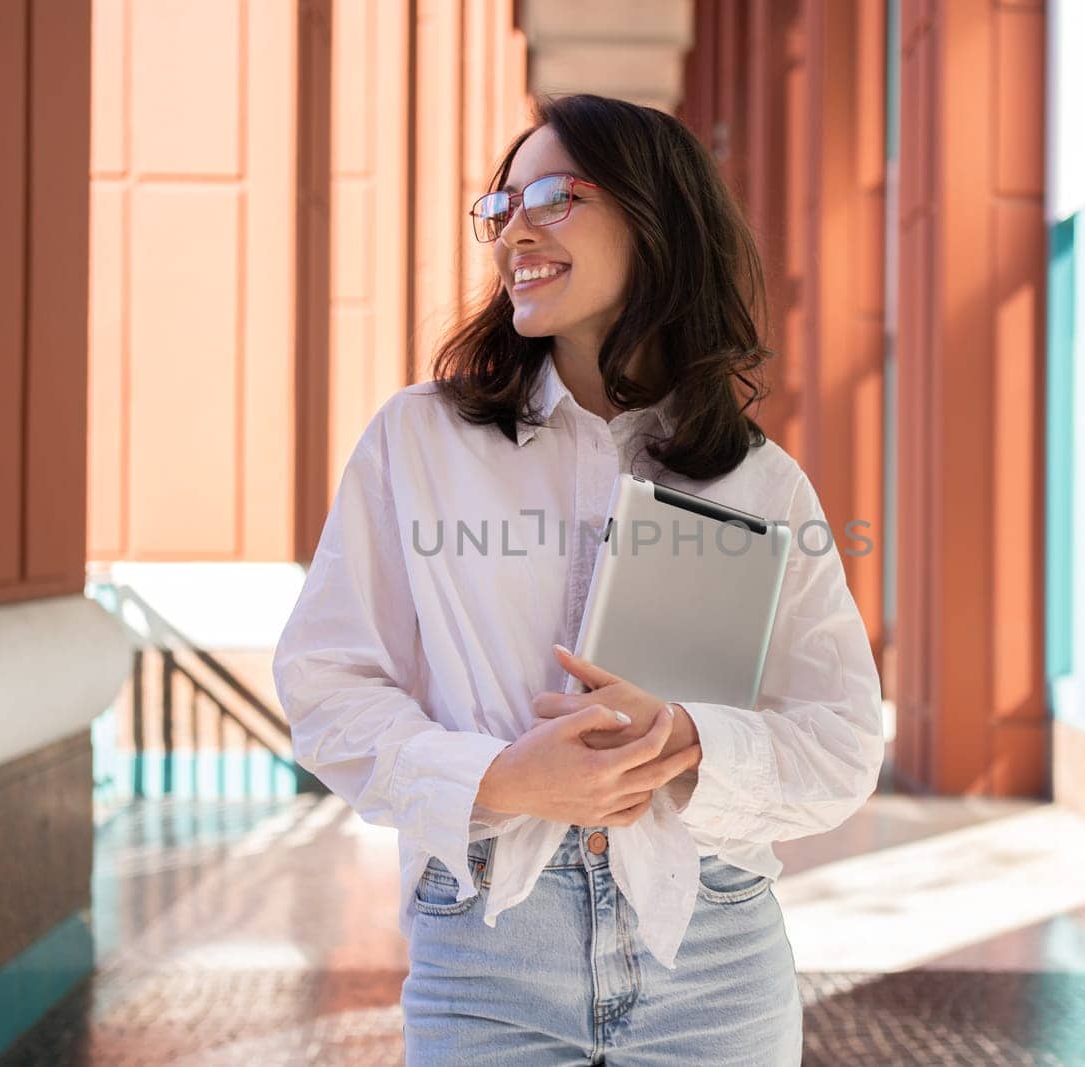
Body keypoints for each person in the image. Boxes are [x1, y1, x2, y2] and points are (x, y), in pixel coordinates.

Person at [271, 92, 884, 1066]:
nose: (514, 228)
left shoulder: (759, 480)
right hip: (487, 957)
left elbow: (842, 742)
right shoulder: (418, 441)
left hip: (712, 953)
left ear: (657, 217)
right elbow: (326, 684)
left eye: (552, 196)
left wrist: (686, 739)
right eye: (501, 206)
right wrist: (503, 776)